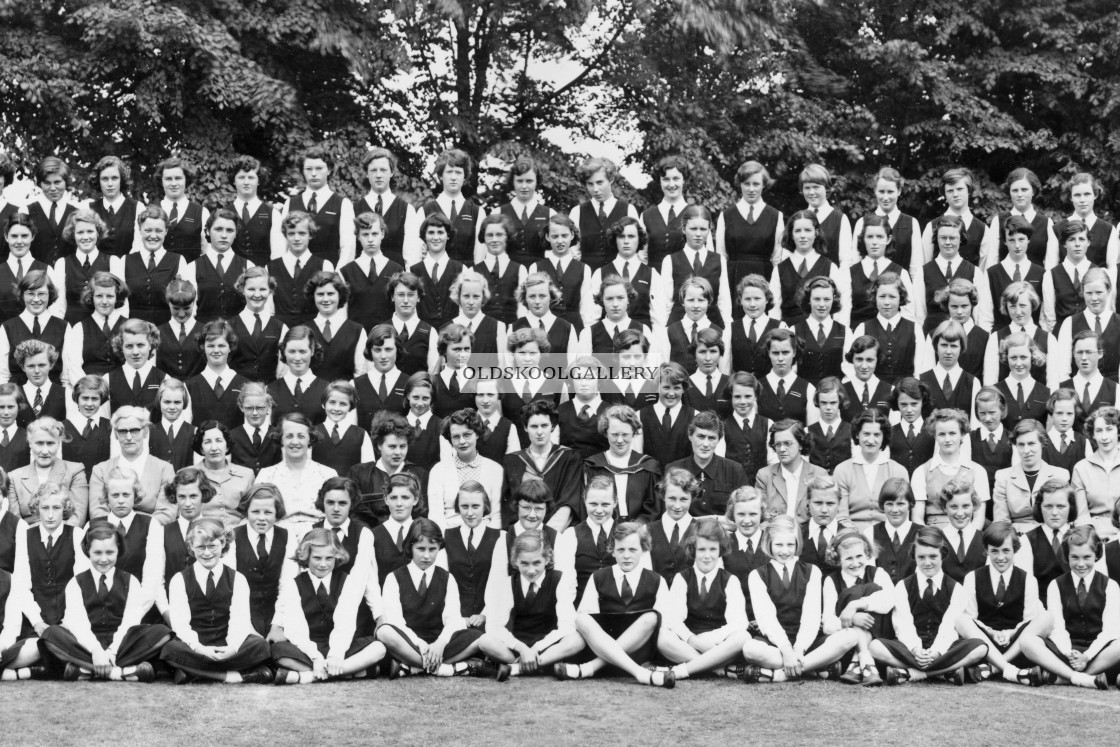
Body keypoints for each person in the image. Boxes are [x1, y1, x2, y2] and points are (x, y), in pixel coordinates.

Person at [739, 514, 859, 682]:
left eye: (790, 544)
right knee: (750, 649)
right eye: (779, 544)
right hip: (775, 643)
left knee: (850, 636)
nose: (785, 551)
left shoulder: (812, 571)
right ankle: (814, 668)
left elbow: (811, 616)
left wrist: (799, 649)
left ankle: (779, 675)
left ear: (797, 543)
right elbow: (766, 619)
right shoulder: (757, 575)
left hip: (807, 642)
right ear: (769, 544)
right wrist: (786, 649)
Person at [554, 522, 674, 687]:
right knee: (581, 619)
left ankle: (590, 668)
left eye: (632, 550)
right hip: (603, 647)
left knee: (652, 618)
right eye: (620, 550)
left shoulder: (656, 580)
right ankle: (640, 673)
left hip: (638, 652)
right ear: (612, 550)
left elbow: (664, 625)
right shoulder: (598, 577)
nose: (626, 556)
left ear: (644, 550)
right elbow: (588, 619)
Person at [869, 526, 990, 685]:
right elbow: (903, 624)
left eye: (933, 556)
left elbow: (949, 627)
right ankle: (944, 672)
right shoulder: (902, 586)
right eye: (921, 557)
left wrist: (936, 652)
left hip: (943, 649)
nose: (927, 563)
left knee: (980, 648)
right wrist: (916, 649)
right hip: (911, 650)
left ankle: (914, 674)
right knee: (875, 646)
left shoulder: (956, 589)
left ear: (942, 555)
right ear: (914, 556)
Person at [159, 517, 273, 684]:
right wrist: (199, 648)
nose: (207, 553)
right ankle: (232, 676)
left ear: (223, 544)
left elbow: (240, 620)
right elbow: (180, 624)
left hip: (227, 642)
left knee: (260, 646)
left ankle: (193, 672)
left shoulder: (238, 579)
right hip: (196, 645)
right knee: (170, 650)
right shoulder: (179, 579)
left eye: (212, 546)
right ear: (191, 547)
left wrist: (232, 648)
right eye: (200, 547)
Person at [270, 527, 388, 684]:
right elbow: (296, 628)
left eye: (329, 558)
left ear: (337, 557)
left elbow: (344, 624)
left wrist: (336, 655)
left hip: (341, 646)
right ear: (306, 557)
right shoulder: (294, 585)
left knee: (378, 648)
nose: (323, 564)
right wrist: (316, 657)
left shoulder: (346, 581)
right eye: (317, 558)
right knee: (278, 651)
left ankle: (309, 676)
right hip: (307, 648)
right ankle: (350, 672)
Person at [375, 518, 486, 677]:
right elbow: (396, 621)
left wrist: (440, 643)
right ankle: (447, 669)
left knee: (478, 638)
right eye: (421, 548)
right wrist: (420, 644)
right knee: (384, 631)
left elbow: (453, 619)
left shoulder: (447, 578)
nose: (426, 556)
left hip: (438, 642)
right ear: (410, 547)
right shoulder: (394, 578)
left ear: (439, 548)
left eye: (432, 549)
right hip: (408, 642)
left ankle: (413, 667)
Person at [477, 529, 586, 682]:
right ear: (515, 561)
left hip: (548, 647)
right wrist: (521, 648)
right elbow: (495, 626)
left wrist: (536, 649)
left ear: (547, 559)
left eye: (536, 563)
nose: (530, 570)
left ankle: (516, 668)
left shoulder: (558, 579)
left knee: (577, 639)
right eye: (524, 563)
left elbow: (566, 625)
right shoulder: (510, 582)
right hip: (518, 647)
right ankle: (541, 666)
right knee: (485, 641)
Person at [1019, 526, 1120, 689]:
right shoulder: (1056, 585)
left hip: (1099, 653)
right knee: (1026, 641)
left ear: (1097, 555)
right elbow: (1058, 628)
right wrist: (1070, 654)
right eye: (1075, 557)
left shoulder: (1110, 586)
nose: (1081, 564)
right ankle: (1082, 677)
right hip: (1067, 651)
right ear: (1067, 556)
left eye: (1087, 557)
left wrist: (1087, 656)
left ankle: (1066, 677)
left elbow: (1110, 631)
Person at [655, 519, 751, 681]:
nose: (707, 556)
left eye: (713, 549)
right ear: (693, 550)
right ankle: (719, 669)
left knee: (743, 637)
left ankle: (682, 669)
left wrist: (705, 642)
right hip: (688, 643)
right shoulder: (682, 578)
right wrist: (692, 639)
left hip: (718, 644)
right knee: (662, 636)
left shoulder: (729, 580)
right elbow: (674, 620)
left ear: (721, 550)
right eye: (702, 550)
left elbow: (738, 623)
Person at [959, 521, 1048, 686]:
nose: (1000, 557)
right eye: (994, 551)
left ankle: (993, 668)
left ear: (1015, 549)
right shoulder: (972, 577)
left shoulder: (1028, 579)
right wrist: (991, 633)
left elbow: (1029, 620)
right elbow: (971, 618)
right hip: (986, 643)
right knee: (961, 620)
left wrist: (1011, 633)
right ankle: (1009, 669)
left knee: (1045, 617)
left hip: (1015, 646)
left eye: (1006, 551)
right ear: (986, 550)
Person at [821, 532, 895, 686]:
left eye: (859, 556)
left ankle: (859, 662)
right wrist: (849, 619)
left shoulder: (877, 573)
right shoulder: (832, 581)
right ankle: (866, 663)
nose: (855, 563)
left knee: (872, 589)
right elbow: (828, 622)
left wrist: (854, 605)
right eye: (848, 558)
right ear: (838, 559)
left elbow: (889, 602)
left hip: (879, 635)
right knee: (850, 593)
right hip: (848, 642)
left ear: (867, 553)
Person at [14, 483, 90, 631]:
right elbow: (21, 584)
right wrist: (36, 621)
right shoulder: (25, 537)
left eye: (56, 508)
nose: (50, 515)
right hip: (34, 621)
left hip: (70, 620)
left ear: (65, 509)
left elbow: (82, 585)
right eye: (44, 508)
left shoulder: (77, 535)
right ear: (37, 509)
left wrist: (68, 622)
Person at [226, 483, 298, 637]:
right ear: (246, 512)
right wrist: (248, 629)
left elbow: (288, 585)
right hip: (242, 615)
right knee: (252, 648)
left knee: (283, 650)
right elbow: (231, 588)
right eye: (255, 512)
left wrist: (277, 626)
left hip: (278, 615)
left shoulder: (287, 537)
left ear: (277, 513)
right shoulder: (234, 537)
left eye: (268, 512)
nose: (261, 518)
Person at [500, 399, 583, 532]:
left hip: (557, 534)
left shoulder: (569, 458)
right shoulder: (512, 461)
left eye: (544, 425)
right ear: (525, 427)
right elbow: (509, 508)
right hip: (522, 533)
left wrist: (547, 535)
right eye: (534, 426)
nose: (539, 432)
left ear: (553, 427)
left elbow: (569, 503)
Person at [94, 467, 167, 617]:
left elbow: (152, 578)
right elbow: (86, 574)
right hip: (101, 611)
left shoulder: (150, 524)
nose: (121, 500)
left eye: (126, 494)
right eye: (115, 495)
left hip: (140, 611)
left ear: (135, 495)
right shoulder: (93, 526)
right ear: (106, 497)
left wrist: (134, 614)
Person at [88, 407, 176, 524]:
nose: (129, 437)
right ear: (115, 434)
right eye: (123, 431)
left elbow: (166, 512)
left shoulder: (164, 469)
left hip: (150, 534)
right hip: (111, 535)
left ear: (145, 432)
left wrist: (138, 531)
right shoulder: (101, 470)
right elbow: (98, 512)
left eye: (134, 430)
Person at [437, 481, 505, 628]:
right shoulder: (446, 537)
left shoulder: (501, 537)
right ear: (457, 507)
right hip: (456, 620)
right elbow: (443, 583)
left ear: (485, 506)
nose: (469, 513)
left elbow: (503, 584)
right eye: (464, 506)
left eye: (475, 506)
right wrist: (457, 618)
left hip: (491, 620)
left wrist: (485, 614)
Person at [256, 412, 339, 530]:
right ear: (281, 439)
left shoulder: (328, 474)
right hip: (278, 537)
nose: (295, 442)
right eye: (289, 436)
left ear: (310, 439)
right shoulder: (267, 475)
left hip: (319, 537)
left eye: (301, 436)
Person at [716, 160, 784, 301]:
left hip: (764, 276)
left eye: (756, 184)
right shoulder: (726, 215)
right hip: (733, 277)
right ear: (740, 184)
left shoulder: (775, 216)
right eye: (746, 184)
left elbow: (778, 258)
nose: (751, 189)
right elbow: (721, 256)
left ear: (764, 184)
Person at [655, 205, 732, 330]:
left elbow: (724, 301)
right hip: (678, 328)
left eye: (703, 229)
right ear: (684, 229)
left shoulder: (719, 260)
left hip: (712, 328)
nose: (698, 234)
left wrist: (727, 331)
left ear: (709, 230)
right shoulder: (670, 261)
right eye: (693, 228)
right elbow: (665, 303)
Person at [583, 404, 660, 525]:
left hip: (640, 530)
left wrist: (636, 526)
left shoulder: (647, 466)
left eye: (625, 434)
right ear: (606, 432)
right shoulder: (592, 465)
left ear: (634, 433)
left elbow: (653, 508)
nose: (619, 440)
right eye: (614, 434)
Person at [348, 414, 428, 530]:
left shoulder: (419, 474)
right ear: (379, 445)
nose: (398, 452)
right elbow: (355, 514)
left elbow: (422, 514)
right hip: (369, 536)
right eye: (392, 446)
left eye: (402, 446)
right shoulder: (359, 473)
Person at [912, 409, 990, 528]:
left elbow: (978, 519)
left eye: (952, 433)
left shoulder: (977, 471)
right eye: (942, 434)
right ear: (935, 435)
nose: (947, 439)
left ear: (962, 434)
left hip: (966, 536)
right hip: (933, 537)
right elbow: (917, 518)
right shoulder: (921, 472)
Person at [280, 145, 355, 268]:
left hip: (328, 277)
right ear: (303, 171)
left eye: (319, 168)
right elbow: (283, 245)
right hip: (296, 273)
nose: (314, 173)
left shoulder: (343, 204)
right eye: (309, 169)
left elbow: (348, 248)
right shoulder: (290, 203)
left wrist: (336, 278)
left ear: (329, 170)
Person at [427, 408, 502, 531]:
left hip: (486, 536)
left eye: (467, 435)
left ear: (477, 434)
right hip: (449, 536)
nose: (462, 441)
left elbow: (497, 516)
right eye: (456, 437)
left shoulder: (494, 469)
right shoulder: (439, 471)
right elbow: (436, 517)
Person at [833, 409, 908, 530]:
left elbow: (902, 516)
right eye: (866, 434)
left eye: (877, 435)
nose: (871, 440)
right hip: (853, 538)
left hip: (887, 537)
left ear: (884, 437)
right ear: (857, 434)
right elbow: (841, 517)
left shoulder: (898, 471)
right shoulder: (842, 470)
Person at [770, 209, 847, 327]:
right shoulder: (780, 269)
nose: (802, 236)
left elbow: (838, 309)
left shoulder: (830, 267)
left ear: (816, 233)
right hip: (788, 333)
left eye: (807, 230)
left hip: (821, 332)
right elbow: (774, 310)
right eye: (797, 231)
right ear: (791, 234)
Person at [992, 419, 1070, 532]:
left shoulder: (1060, 476)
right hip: (1016, 537)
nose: (1026, 450)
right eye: (1021, 445)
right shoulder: (1003, 477)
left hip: (1050, 535)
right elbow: (1001, 522)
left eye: (1031, 444)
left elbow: (1064, 519)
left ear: (1042, 443)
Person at [10, 417, 90, 526]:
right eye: (39, 443)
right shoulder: (14, 477)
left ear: (58, 444)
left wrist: (58, 537)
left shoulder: (75, 471)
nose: (45, 451)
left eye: (50, 443)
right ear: (30, 444)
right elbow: (15, 522)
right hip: (29, 538)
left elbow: (78, 516)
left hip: (66, 538)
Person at [666, 411, 746, 518]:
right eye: (701, 436)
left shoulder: (734, 470)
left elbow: (745, 513)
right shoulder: (673, 470)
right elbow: (666, 515)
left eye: (712, 438)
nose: (705, 444)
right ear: (690, 436)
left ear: (719, 440)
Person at [53, 208, 126, 324]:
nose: (85, 237)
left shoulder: (113, 262)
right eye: (80, 232)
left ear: (98, 232)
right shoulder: (62, 263)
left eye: (90, 231)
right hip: (71, 327)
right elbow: (58, 306)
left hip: (104, 327)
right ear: (73, 234)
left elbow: (122, 304)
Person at [568, 157, 639, 271]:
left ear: (611, 179)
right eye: (590, 184)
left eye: (600, 182)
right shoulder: (577, 212)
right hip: (588, 279)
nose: (595, 189)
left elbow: (636, 248)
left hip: (620, 279)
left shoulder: (628, 210)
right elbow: (573, 251)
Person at [847, 213, 916, 331]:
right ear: (863, 239)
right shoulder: (850, 273)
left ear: (888, 239)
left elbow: (908, 314)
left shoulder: (901, 273)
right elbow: (844, 314)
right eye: (869, 237)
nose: (874, 242)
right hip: (858, 338)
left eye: (879, 237)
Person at [356, 147, 422, 267]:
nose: (378, 175)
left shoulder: (407, 210)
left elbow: (412, 257)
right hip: (361, 279)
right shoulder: (354, 209)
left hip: (395, 279)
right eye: (373, 170)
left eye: (383, 170)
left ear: (392, 172)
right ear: (367, 173)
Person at [754, 419, 828, 525]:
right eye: (778, 444)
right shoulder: (764, 476)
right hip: (775, 534)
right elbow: (761, 514)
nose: (782, 449)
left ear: (801, 444)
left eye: (787, 443)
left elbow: (823, 513)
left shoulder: (819, 475)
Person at [0, 272, 66, 388]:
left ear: (50, 295)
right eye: (30, 294)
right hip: (17, 396)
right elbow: (2, 374)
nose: (36, 299)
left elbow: (66, 375)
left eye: (41, 294)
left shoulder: (64, 327)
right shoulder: (7, 327)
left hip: (53, 395)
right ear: (22, 295)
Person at [1055, 268, 1120, 384]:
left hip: (1114, 392)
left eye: (1099, 292)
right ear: (1082, 293)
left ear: (1109, 290)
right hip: (1079, 391)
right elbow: (1062, 371)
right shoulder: (1069, 323)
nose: (1094, 298)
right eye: (1089, 293)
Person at [420, 148, 484, 266]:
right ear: (440, 176)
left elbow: (479, 257)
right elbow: (418, 254)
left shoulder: (477, 212)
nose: (454, 177)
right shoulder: (425, 211)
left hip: (465, 278)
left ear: (465, 176)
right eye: (449, 172)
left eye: (458, 172)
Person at [125, 207, 187, 326]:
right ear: (140, 230)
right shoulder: (125, 261)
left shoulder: (178, 261)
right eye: (148, 230)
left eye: (158, 230)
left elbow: (183, 303)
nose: (153, 236)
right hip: (134, 333)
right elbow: (121, 304)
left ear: (166, 231)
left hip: (167, 330)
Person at [919, 167, 991, 270]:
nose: (955, 195)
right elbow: (925, 266)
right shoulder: (932, 227)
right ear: (945, 194)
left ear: (969, 191)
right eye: (950, 191)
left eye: (960, 189)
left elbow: (983, 271)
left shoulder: (983, 230)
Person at [588, 217, 653, 329]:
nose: (626, 241)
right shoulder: (600, 273)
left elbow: (658, 317)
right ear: (615, 239)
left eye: (631, 236)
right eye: (621, 236)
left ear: (639, 239)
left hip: (641, 337)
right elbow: (592, 315)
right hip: (609, 335)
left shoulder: (652, 274)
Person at [268, 211, 330, 328]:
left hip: (313, 330)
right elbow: (269, 309)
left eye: (302, 233)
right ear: (285, 235)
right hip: (280, 331)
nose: (296, 238)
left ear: (310, 234)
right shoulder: (271, 267)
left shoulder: (324, 265)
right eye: (291, 233)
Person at [304, 271, 368, 382]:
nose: (325, 299)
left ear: (340, 295)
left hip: (344, 395)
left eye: (330, 294)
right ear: (313, 296)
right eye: (320, 294)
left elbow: (361, 373)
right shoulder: (303, 330)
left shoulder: (357, 331)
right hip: (311, 395)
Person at [185, 319, 249, 429]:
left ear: (230, 347)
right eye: (210, 346)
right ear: (202, 347)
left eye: (221, 346)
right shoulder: (189, 386)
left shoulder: (245, 385)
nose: (216, 350)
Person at [989, 168, 1058, 269]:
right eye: (1015, 190)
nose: (1019, 195)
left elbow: (1051, 264)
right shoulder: (999, 221)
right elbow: (992, 260)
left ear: (1033, 191)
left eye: (1024, 190)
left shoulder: (1046, 223)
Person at [1015, 479, 1076, 594]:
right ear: (1039, 507)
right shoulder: (1026, 541)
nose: (1054, 512)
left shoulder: (1082, 537)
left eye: (1061, 506)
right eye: (1048, 506)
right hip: (1041, 608)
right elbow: (1026, 587)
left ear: (1071, 507)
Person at [160, 468, 217, 588]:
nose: (187, 503)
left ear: (204, 495)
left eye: (193, 496)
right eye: (181, 497)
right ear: (174, 496)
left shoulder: (215, 529)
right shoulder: (162, 532)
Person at [987, 216, 1046, 330]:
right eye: (1012, 240)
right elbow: (986, 317)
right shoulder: (991, 273)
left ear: (1028, 239)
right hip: (1001, 338)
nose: (1017, 245)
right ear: (1004, 241)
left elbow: (1044, 317)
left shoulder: (1042, 273)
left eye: (1021, 239)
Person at [194, 420, 255, 528]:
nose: (214, 448)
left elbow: (253, 511)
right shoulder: (189, 474)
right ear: (201, 448)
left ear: (227, 446)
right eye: (207, 442)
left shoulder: (246, 474)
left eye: (219, 441)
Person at [717, 371, 774, 486]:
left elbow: (773, 461)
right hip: (733, 486)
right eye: (737, 397)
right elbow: (720, 462)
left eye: (748, 396)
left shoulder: (767, 424)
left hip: (761, 487)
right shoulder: (723, 427)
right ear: (731, 396)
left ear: (756, 396)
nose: (743, 402)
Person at [225, 155, 283, 266]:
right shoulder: (224, 214)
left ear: (258, 181)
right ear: (234, 181)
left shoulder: (273, 214)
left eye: (251, 178)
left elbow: (277, 255)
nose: (246, 182)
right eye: (241, 177)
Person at [410, 212, 463, 332]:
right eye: (431, 232)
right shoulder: (413, 270)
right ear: (424, 236)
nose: (435, 237)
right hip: (422, 333)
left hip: (452, 334)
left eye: (440, 232)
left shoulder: (461, 269)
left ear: (448, 236)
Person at [1072, 406, 1120, 539]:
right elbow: (1081, 516)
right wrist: (1093, 540)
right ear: (1093, 434)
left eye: (1109, 429)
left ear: (1118, 431)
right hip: (1094, 538)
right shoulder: (1081, 468)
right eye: (1099, 431)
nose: (1104, 437)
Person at [311, 380, 375, 477]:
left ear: (350, 407)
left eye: (343, 404)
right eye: (332, 402)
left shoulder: (361, 435)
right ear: (324, 404)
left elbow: (368, 473)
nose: (337, 408)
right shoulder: (312, 433)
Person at [1042, 219, 1095, 335]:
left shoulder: (1098, 272)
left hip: (1090, 337)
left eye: (1081, 239)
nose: (1077, 244)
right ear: (1064, 243)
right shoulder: (1051, 275)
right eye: (1071, 239)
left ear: (1088, 242)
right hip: (1061, 336)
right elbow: (1049, 315)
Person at [23, 156, 79, 266]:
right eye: (47, 183)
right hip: (36, 278)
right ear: (40, 184)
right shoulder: (27, 211)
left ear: (66, 182)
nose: (52, 188)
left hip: (68, 278)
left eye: (57, 182)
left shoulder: (76, 213)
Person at [755, 328, 818, 424]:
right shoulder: (756, 387)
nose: (780, 358)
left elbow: (812, 428)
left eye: (785, 353)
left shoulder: (808, 389)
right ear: (768, 353)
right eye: (775, 353)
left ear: (794, 352)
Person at [474, 213, 527, 326]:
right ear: (484, 237)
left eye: (499, 235)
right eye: (489, 235)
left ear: (507, 236)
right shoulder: (473, 271)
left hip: (511, 330)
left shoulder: (520, 269)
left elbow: (522, 307)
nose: (494, 240)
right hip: (483, 332)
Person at [268, 325, 328, 425]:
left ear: (312, 350)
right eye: (291, 351)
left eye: (302, 351)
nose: (297, 358)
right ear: (284, 352)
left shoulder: (327, 390)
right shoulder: (269, 390)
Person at [647, 468, 699, 583]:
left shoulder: (701, 531)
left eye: (684, 499)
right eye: (672, 498)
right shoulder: (647, 531)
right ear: (663, 495)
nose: (677, 506)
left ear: (692, 498)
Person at [514, 272, 578, 363]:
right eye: (532, 296)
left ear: (551, 297)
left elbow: (572, 365)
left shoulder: (567, 328)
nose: (537, 301)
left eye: (542, 296)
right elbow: (509, 367)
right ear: (525, 298)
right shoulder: (514, 327)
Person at [798, 163, 854, 268]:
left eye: (816, 187)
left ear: (827, 188)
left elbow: (846, 260)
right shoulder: (798, 219)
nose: (811, 192)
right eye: (807, 188)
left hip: (829, 281)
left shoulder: (840, 219)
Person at [865, 478, 920, 584]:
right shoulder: (870, 533)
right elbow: (869, 575)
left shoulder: (922, 533)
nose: (894, 510)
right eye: (889, 504)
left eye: (900, 504)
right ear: (882, 505)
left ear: (910, 504)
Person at [352, 324, 406, 432]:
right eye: (377, 350)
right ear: (370, 351)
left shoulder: (409, 384)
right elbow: (352, 430)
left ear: (397, 349)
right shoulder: (355, 385)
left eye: (388, 349)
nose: (383, 356)